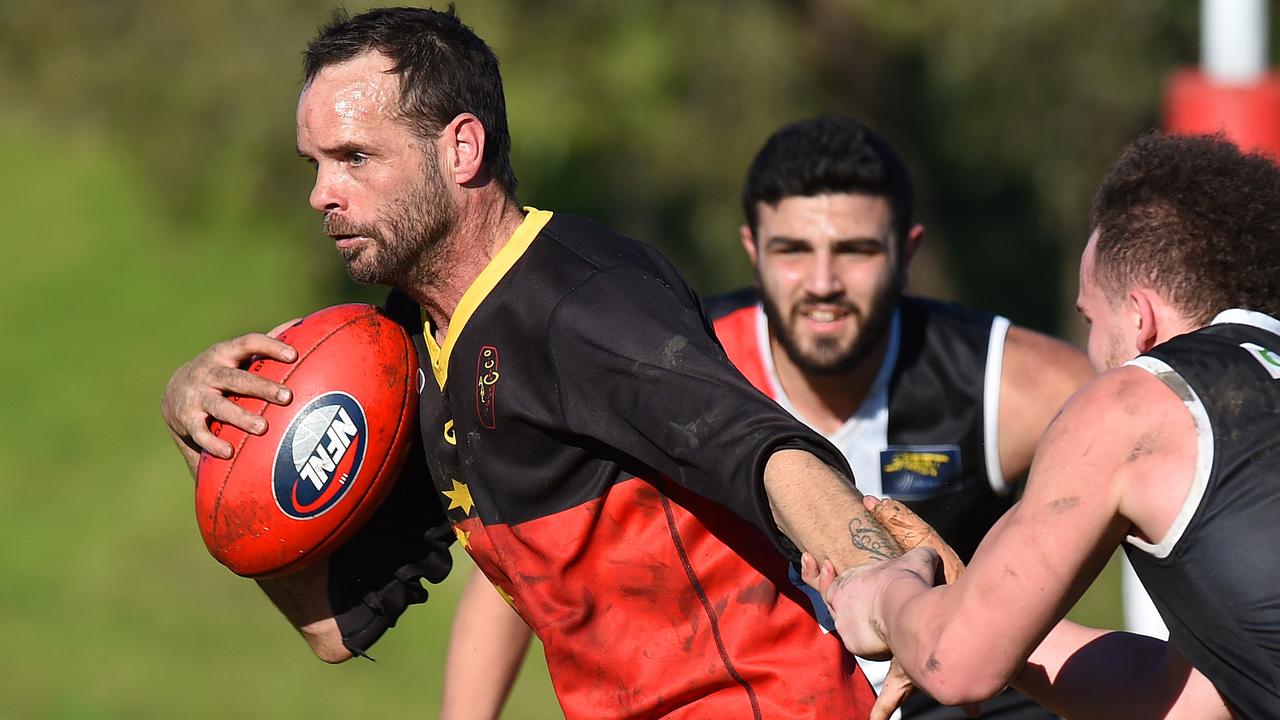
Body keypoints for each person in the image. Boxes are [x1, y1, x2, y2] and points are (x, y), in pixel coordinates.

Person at [160, 8, 923, 719]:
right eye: (315, 163)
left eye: (355, 157)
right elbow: (332, 625)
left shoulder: (581, 301)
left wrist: (883, 584)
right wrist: (212, 442)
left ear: (461, 148)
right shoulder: (407, 357)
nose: (323, 193)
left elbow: (765, 452)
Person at [438, 117, 1095, 718]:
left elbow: (1164, 492)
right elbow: (534, 557)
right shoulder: (668, 364)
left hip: (966, 699)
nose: (822, 282)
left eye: (856, 250)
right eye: (793, 251)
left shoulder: (1008, 382)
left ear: (907, 251)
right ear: (752, 250)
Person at [816, 132, 1280, 719]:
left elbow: (954, 665)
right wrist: (965, 607)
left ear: (1139, 318)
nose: (1087, 346)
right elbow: (1185, 699)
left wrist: (883, 596)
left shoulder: (1137, 400)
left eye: (1089, 316)